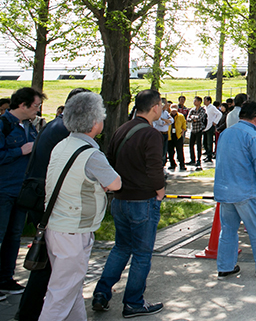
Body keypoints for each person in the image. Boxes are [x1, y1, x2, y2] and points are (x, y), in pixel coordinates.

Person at [40, 92, 121, 321]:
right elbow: (116, 183)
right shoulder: (91, 154)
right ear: (95, 122)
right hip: (73, 231)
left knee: (71, 290)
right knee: (60, 295)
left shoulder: (62, 145)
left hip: (56, 225)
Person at [16, 88, 90, 321]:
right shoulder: (65, 131)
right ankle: (30, 313)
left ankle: (31, 311)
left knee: (48, 264)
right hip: (47, 202)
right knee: (48, 266)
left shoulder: (55, 125)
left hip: (40, 197)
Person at [92, 89, 166, 318]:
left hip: (120, 200)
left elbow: (110, 161)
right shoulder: (151, 134)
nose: (162, 109)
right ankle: (133, 302)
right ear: (154, 107)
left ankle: (101, 294)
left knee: (121, 247)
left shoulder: (121, 129)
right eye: (161, 105)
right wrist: (161, 191)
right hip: (142, 201)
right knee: (142, 254)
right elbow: (155, 168)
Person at [214, 101, 256, 280]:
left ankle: (225, 267)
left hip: (226, 190)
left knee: (228, 230)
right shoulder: (254, 137)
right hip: (247, 190)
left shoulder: (225, 133)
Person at [0, 87, 46, 300]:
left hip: (22, 192)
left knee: (13, 236)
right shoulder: (4, 125)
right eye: (36, 106)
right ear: (22, 105)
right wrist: (21, 150)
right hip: (4, 190)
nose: (37, 110)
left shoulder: (29, 127)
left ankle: (5, 278)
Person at [186, 96, 207, 171]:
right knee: (191, 145)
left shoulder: (202, 110)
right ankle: (192, 159)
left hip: (199, 129)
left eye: (195, 101)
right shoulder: (192, 110)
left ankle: (198, 160)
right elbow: (188, 118)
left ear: (199, 102)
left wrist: (193, 117)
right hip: (193, 130)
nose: (194, 102)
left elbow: (200, 118)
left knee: (199, 146)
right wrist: (193, 118)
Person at [166, 106, 186, 171]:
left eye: (175, 111)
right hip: (170, 136)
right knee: (170, 151)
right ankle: (172, 164)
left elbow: (184, 124)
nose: (173, 112)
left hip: (178, 135)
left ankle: (182, 164)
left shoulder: (181, 116)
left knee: (180, 151)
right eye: (172, 111)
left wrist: (182, 132)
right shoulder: (167, 116)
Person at [202, 96, 221, 163]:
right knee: (204, 142)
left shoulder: (212, 107)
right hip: (205, 126)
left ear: (209, 101)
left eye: (205, 100)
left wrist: (215, 122)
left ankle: (209, 156)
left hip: (210, 126)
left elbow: (219, 114)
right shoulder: (204, 108)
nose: (204, 102)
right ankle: (207, 154)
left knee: (209, 142)